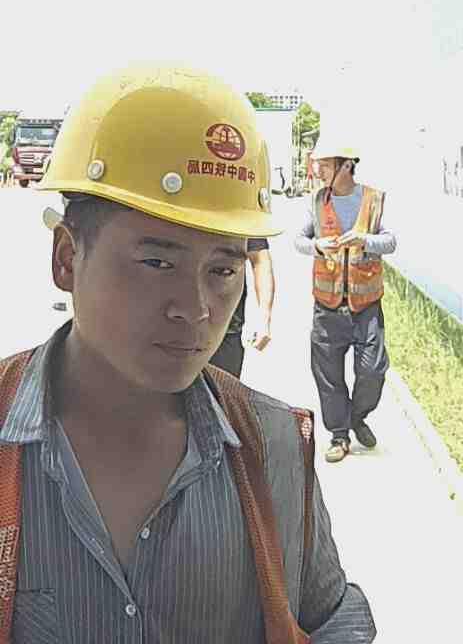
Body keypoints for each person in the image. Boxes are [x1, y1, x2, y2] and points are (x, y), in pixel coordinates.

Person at [0, 65, 375, 643]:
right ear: (67, 258)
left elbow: (332, 622)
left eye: (222, 271)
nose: (196, 309)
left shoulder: (273, 447)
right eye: (157, 262)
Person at [295, 139, 396, 464]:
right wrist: (317, 246)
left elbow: (391, 241)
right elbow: (299, 240)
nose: (318, 171)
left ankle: (357, 416)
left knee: (372, 370)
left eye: (325, 165)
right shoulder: (317, 201)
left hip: (366, 307)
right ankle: (339, 435)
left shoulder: (373, 199)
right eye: (318, 164)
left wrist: (365, 240)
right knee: (328, 375)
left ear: (346, 166)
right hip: (327, 307)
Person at [210, 237, 274, 378]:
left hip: (225, 330)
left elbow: (260, 259)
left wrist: (264, 319)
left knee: (222, 389)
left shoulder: (245, 221)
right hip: (173, 324)